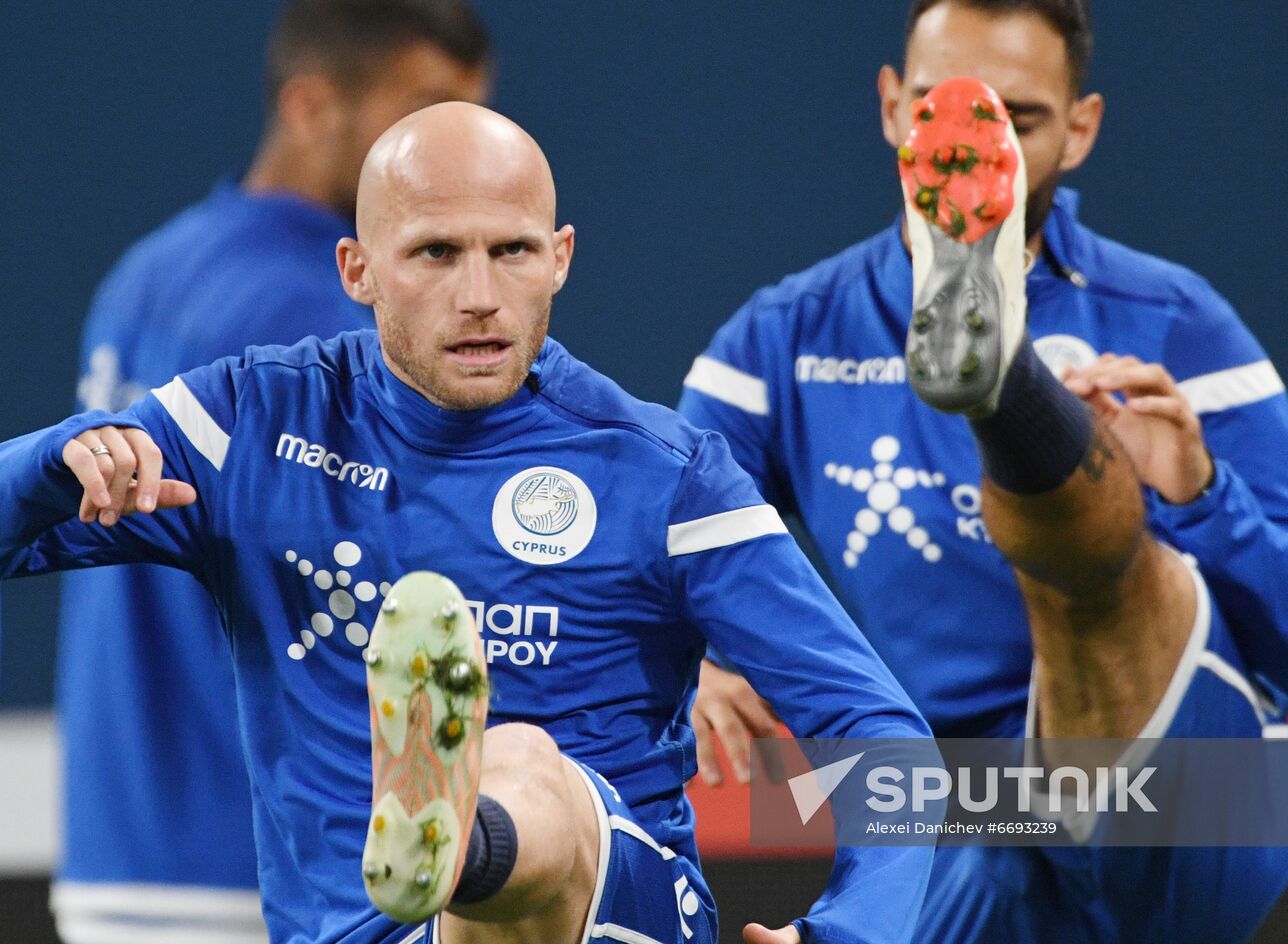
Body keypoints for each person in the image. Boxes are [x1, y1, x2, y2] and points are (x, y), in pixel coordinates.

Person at [1, 102, 936, 944]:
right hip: (368, 935)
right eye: (437, 253)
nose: (481, 294)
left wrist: (851, 930)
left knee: (520, 762)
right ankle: (440, 859)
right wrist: (55, 466)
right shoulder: (252, 425)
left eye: (513, 251)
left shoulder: (665, 477)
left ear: (561, 257)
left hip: (615, 916)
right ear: (358, 270)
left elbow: (881, 730)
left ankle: (455, 844)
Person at [680, 1, 1288, 940]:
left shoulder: (1175, 322)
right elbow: (649, 556)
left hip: (1185, 798)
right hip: (955, 807)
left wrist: (1207, 498)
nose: (976, 153)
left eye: (1018, 119)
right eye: (943, 115)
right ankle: (1009, 385)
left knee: (1102, 575)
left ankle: (1003, 384)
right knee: (947, 818)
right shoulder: (782, 337)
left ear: (1081, 129)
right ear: (892, 108)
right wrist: (689, 652)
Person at [51, 3, 492, 941]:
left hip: (113, 863)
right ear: (308, 105)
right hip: (264, 879)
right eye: (418, 112)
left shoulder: (146, 273)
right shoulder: (324, 323)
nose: (449, 158)